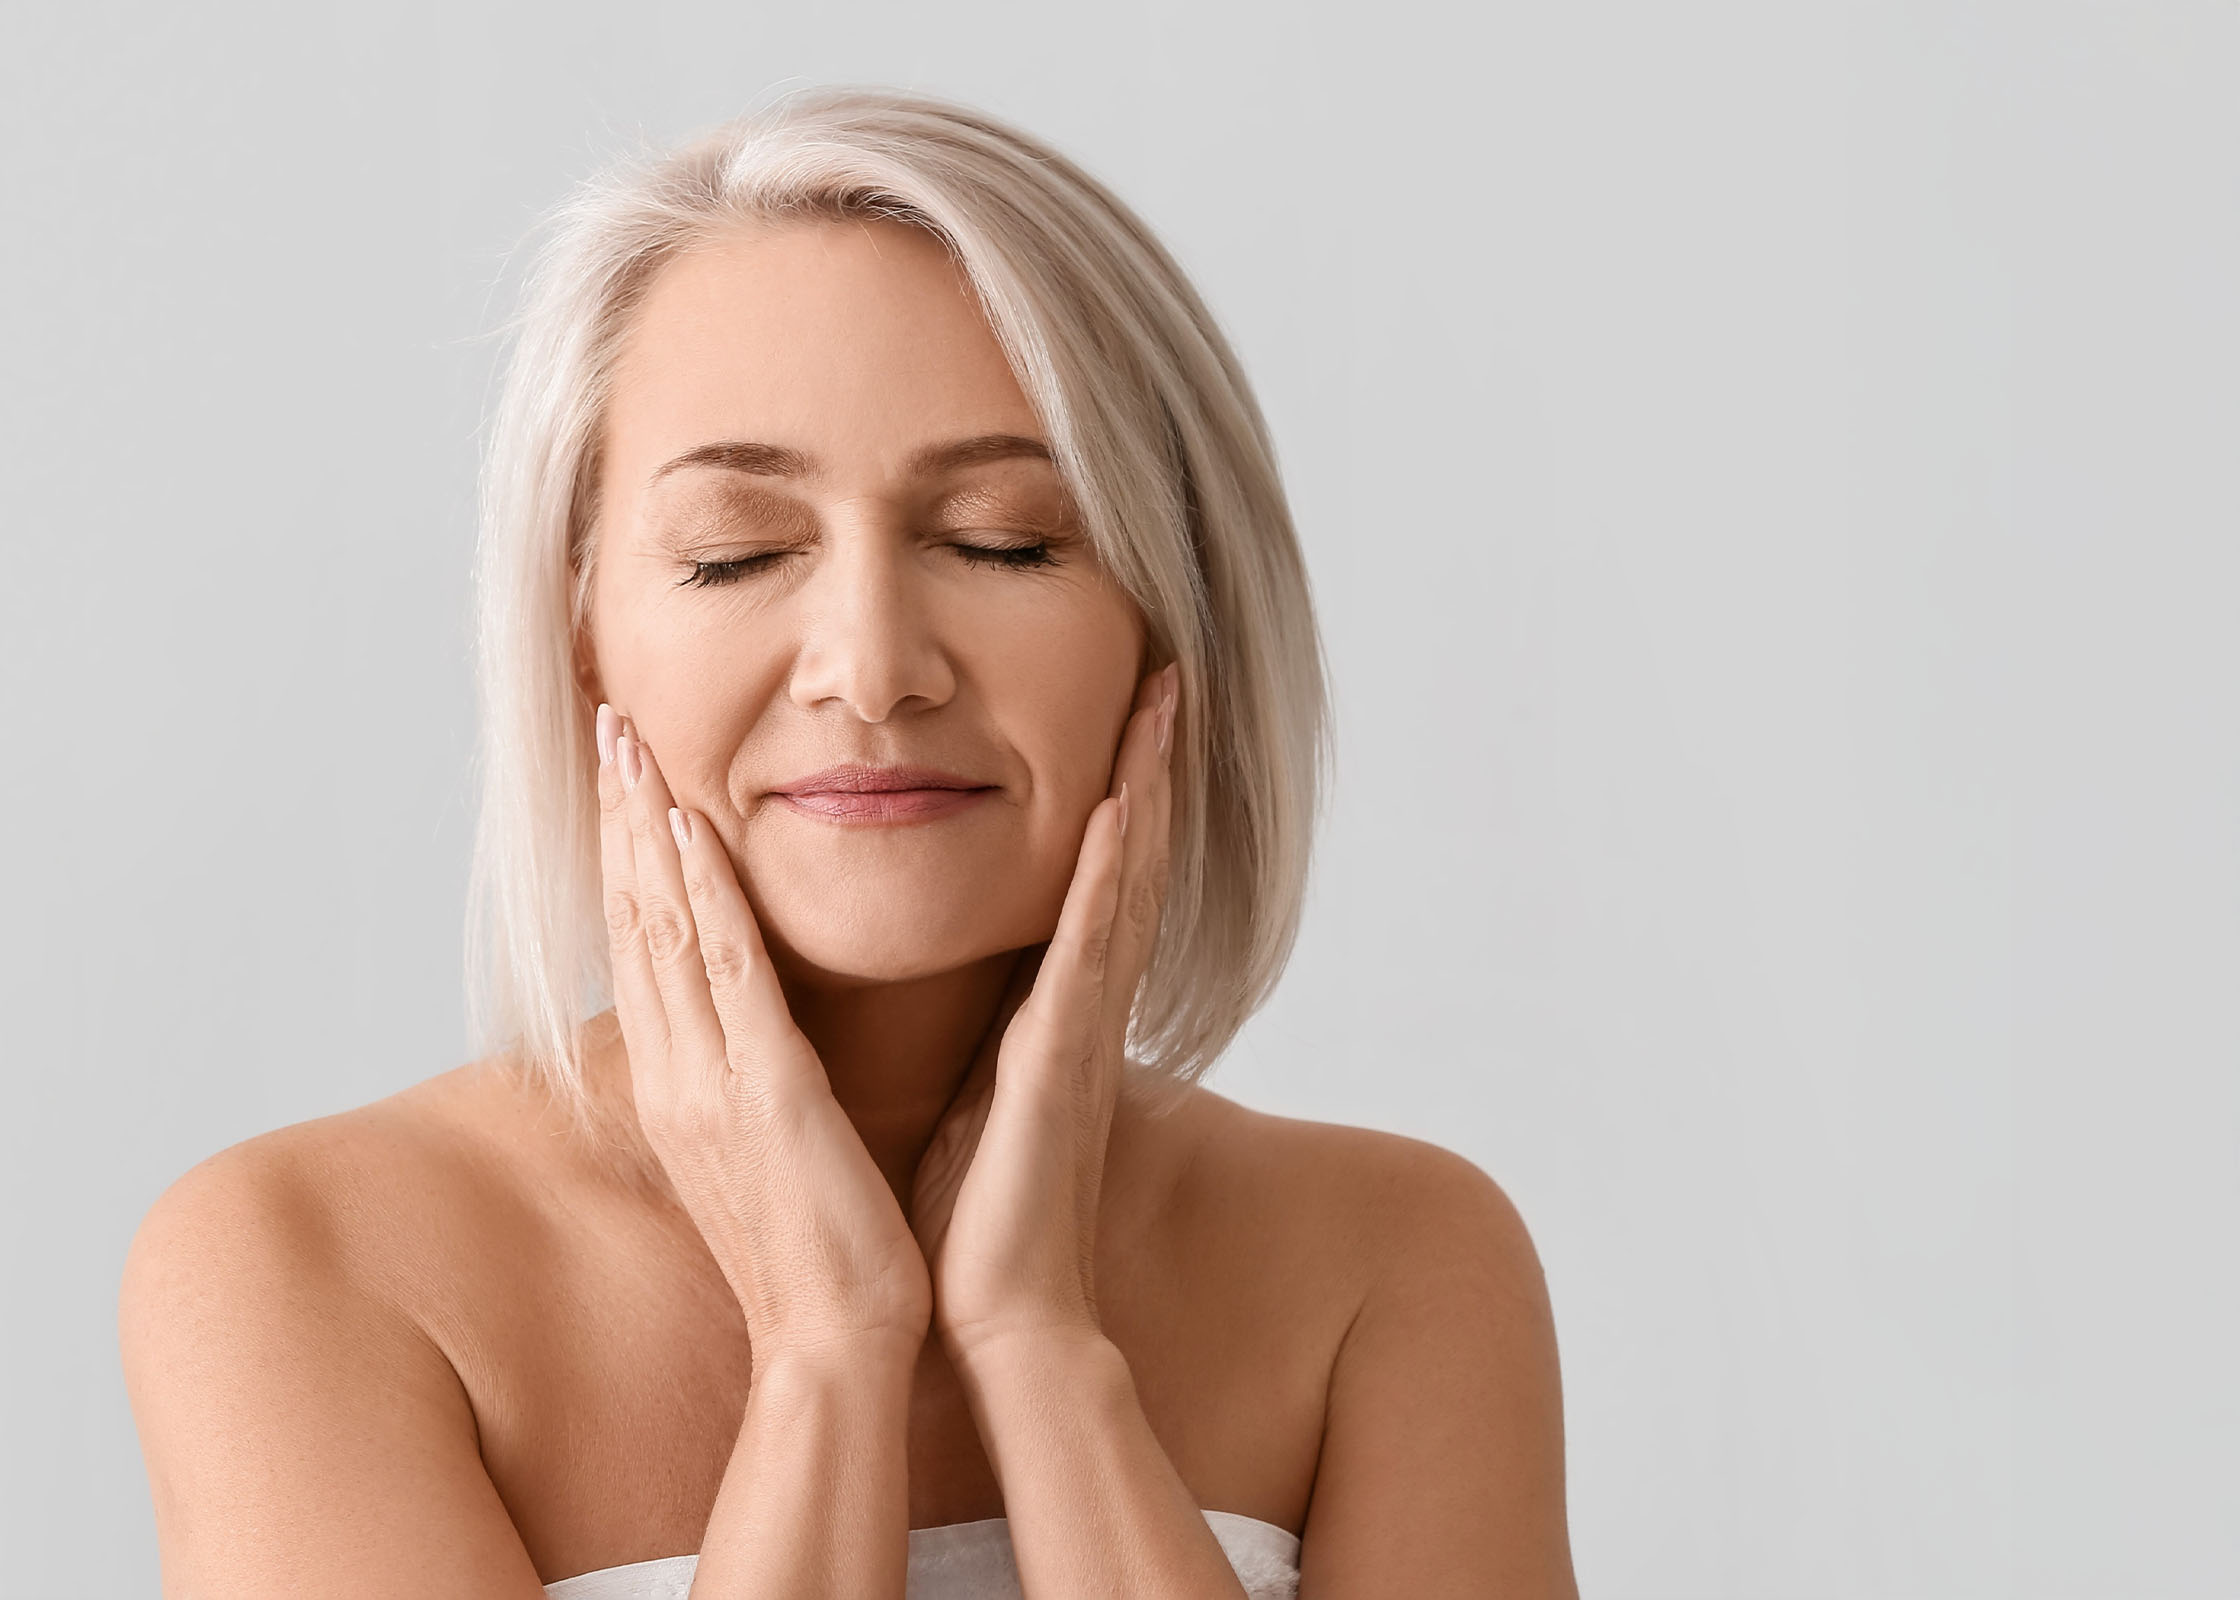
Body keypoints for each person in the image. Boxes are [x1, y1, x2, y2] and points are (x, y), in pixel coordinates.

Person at [118, 86, 1579, 1599]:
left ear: (1175, 618)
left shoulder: (1398, 1263)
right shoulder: (308, 1267)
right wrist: (827, 1347)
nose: (872, 666)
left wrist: (1039, 1345)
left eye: (1004, 539)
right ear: (583, 635)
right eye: (736, 553)